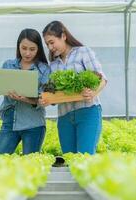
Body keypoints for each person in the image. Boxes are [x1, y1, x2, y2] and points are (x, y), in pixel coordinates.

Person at [39, 21, 107, 155]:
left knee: (85, 157)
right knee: (70, 159)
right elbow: (55, 94)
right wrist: (47, 100)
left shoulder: (83, 52)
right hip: (65, 117)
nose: (50, 47)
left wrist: (93, 93)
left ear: (63, 36)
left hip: (87, 112)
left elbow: (102, 79)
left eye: (52, 42)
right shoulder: (53, 65)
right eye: (47, 44)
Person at [0, 28, 50, 155]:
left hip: (33, 124)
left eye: (32, 49)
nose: (27, 53)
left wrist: (26, 99)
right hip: (9, 122)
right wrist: (5, 89)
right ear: (18, 47)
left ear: (38, 49)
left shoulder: (44, 69)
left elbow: (45, 98)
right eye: (24, 48)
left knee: (30, 166)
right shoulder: (9, 65)